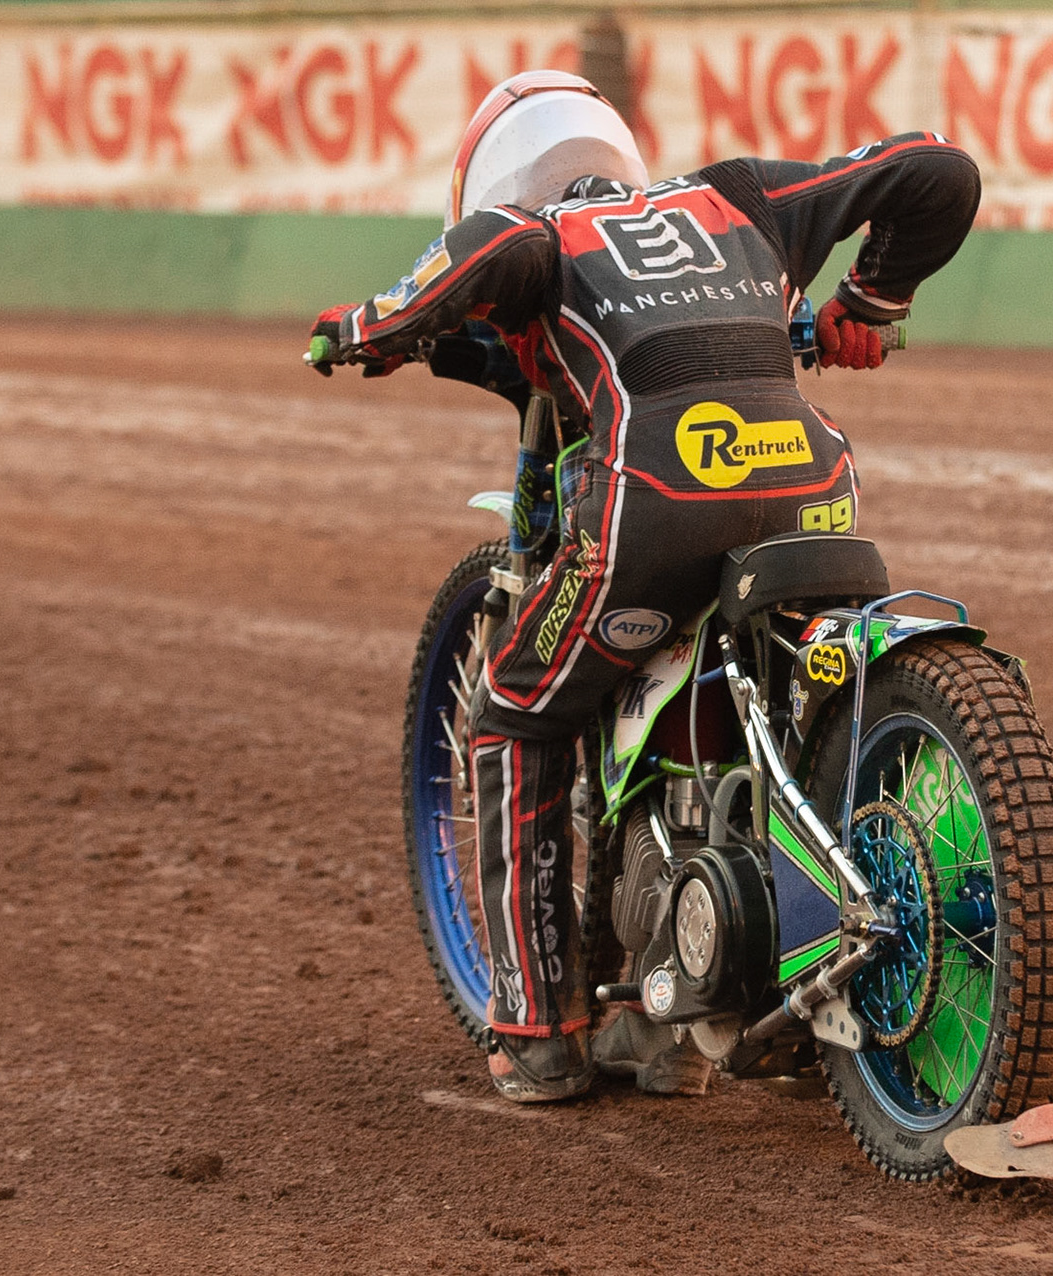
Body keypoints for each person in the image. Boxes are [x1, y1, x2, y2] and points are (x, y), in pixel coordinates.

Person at [308, 70, 981, 1102]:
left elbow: (480, 255)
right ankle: (664, 995)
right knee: (766, 694)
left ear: (500, 181)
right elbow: (936, 168)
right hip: (815, 485)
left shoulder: (537, 240)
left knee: (518, 712)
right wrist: (866, 302)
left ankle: (537, 1032)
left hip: (658, 499)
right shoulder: (736, 198)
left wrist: (372, 324)